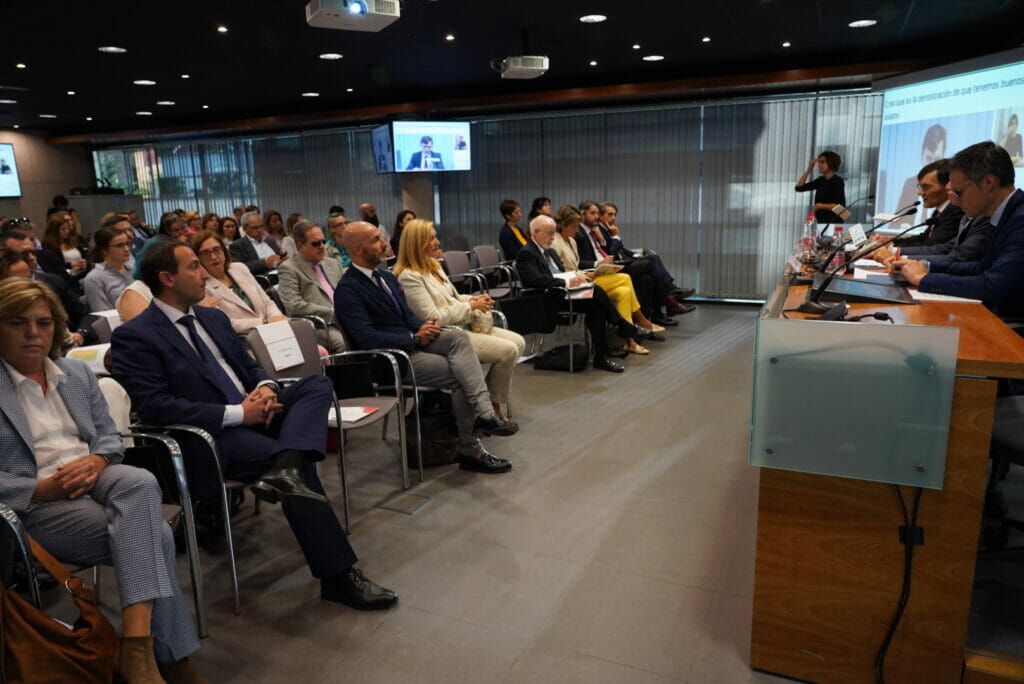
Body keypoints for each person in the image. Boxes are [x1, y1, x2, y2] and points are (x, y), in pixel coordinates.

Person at [110, 240, 399, 610]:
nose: (206, 274)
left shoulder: (212, 318)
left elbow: (249, 368)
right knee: (298, 467)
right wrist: (238, 413)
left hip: (255, 413)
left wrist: (265, 387)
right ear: (167, 278)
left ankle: (285, 467)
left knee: (316, 384)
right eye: (195, 266)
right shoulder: (136, 335)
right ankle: (338, 576)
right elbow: (156, 407)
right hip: (211, 436)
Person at [0, 277, 207, 682]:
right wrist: (40, 489)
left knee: (140, 480)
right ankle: (163, 655)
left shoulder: (74, 373)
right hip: (37, 504)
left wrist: (97, 460)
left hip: (96, 478)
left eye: (43, 323)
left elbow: (110, 437)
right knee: (158, 537)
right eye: (17, 323)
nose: (33, 334)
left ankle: (135, 648)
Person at [335, 221, 518, 472]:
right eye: (377, 240)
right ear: (357, 249)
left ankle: (485, 415)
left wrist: (425, 328)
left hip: (412, 343)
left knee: (458, 338)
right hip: (391, 359)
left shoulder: (386, 277)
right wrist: (414, 338)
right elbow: (367, 338)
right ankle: (471, 448)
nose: (385, 244)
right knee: (461, 373)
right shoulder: (348, 290)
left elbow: (407, 318)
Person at [395, 219, 526, 418]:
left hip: (463, 324)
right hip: (446, 335)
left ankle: (485, 400)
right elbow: (432, 317)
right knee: (507, 351)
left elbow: (452, 299)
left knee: (519, 342)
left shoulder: (433, 267)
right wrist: (470, 306)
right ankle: (492, 407)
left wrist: (473, 298)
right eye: (431, 238)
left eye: (435, 236)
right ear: (416, 243)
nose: (437, 242)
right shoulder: (409, 276)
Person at [893, 141, 1024, 321]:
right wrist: (927, 266)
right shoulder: (1004, 213)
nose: (955, 200)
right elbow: (981, 267)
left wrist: (923, 280)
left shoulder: (1019, 218)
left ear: (988, 182)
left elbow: (994, 285)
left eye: (959, 192)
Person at [517, 215, 655, 373]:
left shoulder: (550, 252)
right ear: (536, 232)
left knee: (596, 307)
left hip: (563, 293)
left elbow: (560, 274)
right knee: (595, 291)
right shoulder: (526, 253)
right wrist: (568, 282)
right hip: (546, 300)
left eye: (554, 233)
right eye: (549, 233)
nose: (552, 237)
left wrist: (575, 279)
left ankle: (601, 357)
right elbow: (537, 280)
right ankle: (623, 327)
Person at [551, 205, 661, 355]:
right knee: (625, 277)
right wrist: (582, 274)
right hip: (574, 286)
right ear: (563, 225)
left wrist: (589, 272)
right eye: (574, 227)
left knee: (624, 292)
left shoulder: (573, 241)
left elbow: (576, 266)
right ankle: (639, 319)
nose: (577, 231)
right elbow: (560, 273)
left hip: (585, 278)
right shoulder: (555, 243)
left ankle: (628, 341)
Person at [575, 200, 688, 326]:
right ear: (582, 214)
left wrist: (635, 255)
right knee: (651, 261)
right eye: (594, 213)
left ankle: (647, 323)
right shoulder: (584, 232)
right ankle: (670, 295)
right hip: (604, 271)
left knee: (647, 279)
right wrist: (615, 237)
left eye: (614, 215)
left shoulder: (595, 230)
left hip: (612, 266)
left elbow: (618, 250)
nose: (613, 218)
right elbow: (610, 252)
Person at [872, 178, 991, 267]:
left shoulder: (968, 215)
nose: (920, 193)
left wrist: (897, 257)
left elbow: (954, 256)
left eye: (957, 191)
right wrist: (892, 247)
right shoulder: (948, 212)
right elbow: (944, 247)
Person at [193, 231, 286, 335]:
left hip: (273, 329)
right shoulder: (201, 286)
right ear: (197, 258)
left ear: (224, 250)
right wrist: (264, 322)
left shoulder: (239, 268)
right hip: (245, 340)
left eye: (216, 249)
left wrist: (277, 320)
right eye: (205, 253)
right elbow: (225, 322)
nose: (213, 257)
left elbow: (267, 302)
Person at [276, 221, 347, 353]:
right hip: (320, 325)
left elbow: (347, 292)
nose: (322, 247)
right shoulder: (289, 268)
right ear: (300, 246)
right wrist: (332, 313)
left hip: (346, 316)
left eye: (323, 241)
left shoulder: (332, 263)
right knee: (343, 342)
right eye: (315, 243)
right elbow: (294, 305)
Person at [891, 160, 964, 248]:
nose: (920, 193)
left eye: (926, 187)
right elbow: (924, 238)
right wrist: (891, 242)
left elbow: (932, 245)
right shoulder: (940, 211)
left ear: (948, 186)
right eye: (920, 187)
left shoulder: (956, 211)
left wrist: (892, 247)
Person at [896, 124, 947, 220]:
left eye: (936, 159)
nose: (931, 164)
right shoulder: (909, 184)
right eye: (928, 158)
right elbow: (895, 224)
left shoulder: (949, 206)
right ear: (921, 155)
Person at [82, 226, 133, 311]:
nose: (127, 249)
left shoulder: (130, 268)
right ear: (104, 250)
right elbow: (104, 316)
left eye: (127, 244)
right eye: (120, 245)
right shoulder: (94, 278)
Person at [795, 150, 846, 224]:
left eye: (822, 162)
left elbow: (840, 207)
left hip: (833, 223)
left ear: (831, 163)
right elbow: (799, 188)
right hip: (820, 222)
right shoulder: (821, 180)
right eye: (818, 162)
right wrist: (809, 170)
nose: (819, 165)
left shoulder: (838, 181)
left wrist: (819, 206)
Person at [229, 210, 283, 275]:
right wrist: (264, 262)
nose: (259, 230)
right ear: (244, 229)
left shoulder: (270, 241)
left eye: (261, 226)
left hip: (281, 274)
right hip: (260, 279)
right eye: (255, 228)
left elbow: (279, 256)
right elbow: (239, 268)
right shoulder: (237, 245)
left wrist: (282, 259)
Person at [41, 212, 88, 276]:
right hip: (67, 278)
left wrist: (85, 262)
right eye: (63, 229)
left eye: (68, 228)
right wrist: (71, 264)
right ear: (55, 230)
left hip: (82, 273)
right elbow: (55, 267)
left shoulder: (73, 240)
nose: (67, 231)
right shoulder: (49, 246)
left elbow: (84, 255)